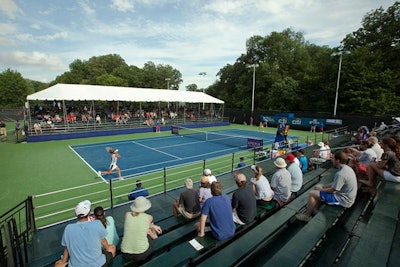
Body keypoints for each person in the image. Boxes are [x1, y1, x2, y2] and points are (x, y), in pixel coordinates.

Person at [296, 151, 358, 222]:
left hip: (343, 201)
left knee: (312, 193)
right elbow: (335, 183)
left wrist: (321, 189)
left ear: (337, 160)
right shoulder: (347, 168)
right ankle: (316, 209)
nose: (332, 160)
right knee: (319, 190)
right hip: (346, 197)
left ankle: (307, 216)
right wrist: (323, 187)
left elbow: (333, 190)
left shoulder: (340, 174)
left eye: (333, 158)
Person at [54, 200, 116, 267]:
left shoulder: (68, 228)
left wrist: (63, 262)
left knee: (57, 265)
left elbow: (67, 249)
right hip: (98, 264)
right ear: (89, 213)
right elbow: (104, 243)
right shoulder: (97, 224)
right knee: (112, 248)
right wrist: (107, 248)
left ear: (75, 214)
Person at [121, 196, 162, 262]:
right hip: (141, 254)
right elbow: (143, 225)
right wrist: (152, 228)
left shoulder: (127, 214)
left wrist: (151, 226)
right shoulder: (149, 217)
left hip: (125, 253)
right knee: (151, 234)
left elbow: (138, 222)